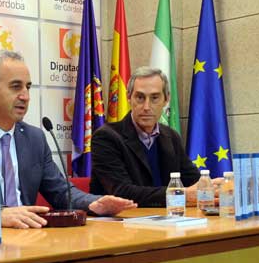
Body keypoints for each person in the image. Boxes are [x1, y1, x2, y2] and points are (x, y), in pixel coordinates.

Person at [0, 50, 136, 229]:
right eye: (15, 87)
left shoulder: (34, 138)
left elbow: (60, 191)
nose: (25, 96)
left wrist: (93, 203)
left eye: (28, 87)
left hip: (30, 241)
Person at [91, 66, 220, 207]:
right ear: (129, 98)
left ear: (166, 100)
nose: (146, 106)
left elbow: (193, 182)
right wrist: (181, 195)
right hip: (122, 223)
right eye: (140, 97)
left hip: (167, 221)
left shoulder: (171, 137)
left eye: (154, 98)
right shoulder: (106, 137)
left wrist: (213, 188)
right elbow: (122, 192)